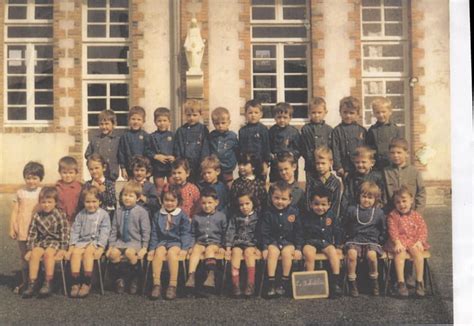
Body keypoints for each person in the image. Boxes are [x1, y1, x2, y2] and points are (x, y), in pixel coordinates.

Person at [22, 187, 70, 298]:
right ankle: (32, 282)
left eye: (49, 202)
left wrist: (63, 249)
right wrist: (30, 249)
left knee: (49, 254)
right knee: (35, 253)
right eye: (43, 202)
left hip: (55, 242)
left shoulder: (59, 214)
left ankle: (48, 281)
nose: (46, 205)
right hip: (42, 242)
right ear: (39, 203)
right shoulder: (37, 216)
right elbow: (32, 233)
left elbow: (64, 232)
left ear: (55, 203)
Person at [107, 182, 151, 294]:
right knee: (113, 254)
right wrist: (111, 246)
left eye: (131, 196)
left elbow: (146, 231)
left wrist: (144, 248)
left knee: (130, 254)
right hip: (121, 242)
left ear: (137, 198)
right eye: (125, 195)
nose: (127, 198)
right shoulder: (119, 211)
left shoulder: (142, 212)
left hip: (135, 242)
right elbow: (114, 230)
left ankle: (134, 279)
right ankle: (120, 279)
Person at [148, 188, 193, 300]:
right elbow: (154, 233)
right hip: (162, 241)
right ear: (162, 200)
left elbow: (185, 232)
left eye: (172, 200)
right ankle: (157, 284)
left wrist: (184, 248)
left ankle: (172, 285)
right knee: (158, 253)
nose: (169, 203)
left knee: (172, 254)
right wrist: (152, 248)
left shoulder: (182, 215)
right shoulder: (158, 214)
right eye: (166, 200)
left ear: (178, 201)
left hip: (176, 242)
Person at [67, 186, 111, 298]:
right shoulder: (81, 215)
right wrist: (72, 246)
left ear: (100, 201)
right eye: (88, 202)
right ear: (83, 202)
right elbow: (75, 231)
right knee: (75, 254)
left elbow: (105, 232)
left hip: (95, 242)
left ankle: (87, 282)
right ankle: (75, 282)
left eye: (94, 201)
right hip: (82, 242)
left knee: (88, 253)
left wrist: (101, 247)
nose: (91, 205)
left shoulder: (104, 215)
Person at [385, 186, 430, 297]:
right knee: (399, 254)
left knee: (418, 254)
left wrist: (420, 241)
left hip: (413, 241)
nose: (402, 205)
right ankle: (401, 282)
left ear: (411, 200)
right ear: (395, 204)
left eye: (404, 201)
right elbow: (392, 230)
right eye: (398, 202)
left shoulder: (416, 215)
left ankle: (419, 282)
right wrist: (397, 242)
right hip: (398, 241)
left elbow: (422, 229)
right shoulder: (392, 215)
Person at [344, 181, 386, 297]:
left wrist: (381, 240)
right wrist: (345, 238)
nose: (366, 200)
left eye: (370, 197)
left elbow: (383, 229)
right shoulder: (352, 210)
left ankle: (374, 282)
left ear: (376, 199)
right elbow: (345, 225)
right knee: (351, 254)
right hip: (355, 240)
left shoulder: (378, 212)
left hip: (371, 241)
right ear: (359, 196)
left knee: (372, 256)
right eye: (364, 196)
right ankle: (352, 282)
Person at [261, 181, 302, 298]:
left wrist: (298, 248)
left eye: (284, 199)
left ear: (290, 200)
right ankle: (271, 283)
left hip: (288, 242)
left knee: (286, 253)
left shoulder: (294, 212)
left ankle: (284, 282)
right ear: (271, 197)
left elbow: (299, 231)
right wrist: (264, 247)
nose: (280, 201)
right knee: (272, 252)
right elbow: (264, 232)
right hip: (273, 241)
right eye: (276, 198)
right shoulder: (268, 213)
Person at [9, 161, 44, 294]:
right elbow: (15, 211)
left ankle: (37, 281)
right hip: (23, 227)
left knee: (36, 254)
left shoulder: (42, 192)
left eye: (34, 178)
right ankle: (25, 282)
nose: (31, 181)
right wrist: (12, 227)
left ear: (40, 178)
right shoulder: (20, 192)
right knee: (24, 256)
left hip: (37, 229)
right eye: (28, 178)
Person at [185, 187, 230, 290]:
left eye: (210, 203)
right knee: (196, 250)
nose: (206, 206)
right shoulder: (197, 217)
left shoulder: (221, 216)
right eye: (204, 203)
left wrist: (223, 246)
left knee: (210, 249)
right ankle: (191, 275)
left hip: (215, 243)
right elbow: (192, 233)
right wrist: (191, 246)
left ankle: (211, 275)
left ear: (216, 202)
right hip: (200, 242)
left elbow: (225, 233)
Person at [302, 187, 343, 298]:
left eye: (323, 204)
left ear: (329, 205)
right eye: (316, 204)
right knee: (309, 254)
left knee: (333, 252)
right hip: (311, 242)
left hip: (325, 242)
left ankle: (335, 282)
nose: (320, 207)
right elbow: (301, 231)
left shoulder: (332, 216)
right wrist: (300, 246)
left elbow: (337, 231)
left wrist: (338, 246)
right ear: (311, 204)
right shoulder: (307, 216)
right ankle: (310, 283)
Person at [225, 190, 260, 297]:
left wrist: (259, 246)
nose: (244, 207)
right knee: (236, 252)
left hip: (251, 244)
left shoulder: (258, 217)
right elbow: (230, 231)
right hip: (238, 242)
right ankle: (236, 284)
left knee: (249, 253)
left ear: (253, 203)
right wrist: (228, 247)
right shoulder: (235, 217)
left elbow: (260, 232)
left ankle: (250, 284)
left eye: (247, 204)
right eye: (241, 205)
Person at [383, 138, 426, 214]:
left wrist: (418, 213)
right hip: (392, 214)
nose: (395, 155)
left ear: (407, 154)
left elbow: (421, 193)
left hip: (411, 214)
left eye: (399, 152)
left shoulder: (414, 172)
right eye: (392, 153)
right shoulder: (386, 172)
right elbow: (383, 196)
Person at [341, 146, 385, 215]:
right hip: (355, 210)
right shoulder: (351, 177)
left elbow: (381, 196)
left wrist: (378, 206)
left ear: (372, 163)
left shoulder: (377, 177)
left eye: (364, 162)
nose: (360, 165)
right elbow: (347, 196)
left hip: (373, 210)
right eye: (357, 162)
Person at [173, 99, 210, 182]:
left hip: (199, 164)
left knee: (200, 185)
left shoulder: (203, 129)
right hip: (185, 164)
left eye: (194, 115)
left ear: (200, 115)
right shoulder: (181, 130)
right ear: (185, 115)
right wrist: (180, 162)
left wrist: (203, 162)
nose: (191, 118)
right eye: (188, 115)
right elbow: (177, 147)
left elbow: (205, 147)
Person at [331, 96, 367, 177]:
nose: (348, 116)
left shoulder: (362, 130)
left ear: (357, 114)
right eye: (345, 112)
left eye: (351, 113)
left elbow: (367, 149)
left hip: (360, 166)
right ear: (340, 112)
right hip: (345, 168)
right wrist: (338, 166)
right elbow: (335, 149)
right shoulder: (337, 131)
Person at [305, 146, 343, 219]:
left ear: (330, 162)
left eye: (323, 163)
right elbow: (308, 201)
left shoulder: (336, 182)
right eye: (317, 163)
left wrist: (330, 219)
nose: (320, 166)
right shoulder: (311, 180)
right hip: (313, 218)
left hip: (329, 219)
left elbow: (335, 204)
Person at [238, 99, 271, 181]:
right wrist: (241, 164)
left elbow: (266, 147)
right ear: (245, 114)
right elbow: (240, 149)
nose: (253, 115)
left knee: (260, 185)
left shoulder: (263, 130)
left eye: (256, 113)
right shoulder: (242, 131)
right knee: (246, 184)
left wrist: (265, 163)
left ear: (261, 114)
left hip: (259, 163)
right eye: (250, 113)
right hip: (246, 164)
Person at [145, 107, 175, 196]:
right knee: (159, 188)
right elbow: (147, 150)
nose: (162, 123)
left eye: (165, 120)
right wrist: (156, 156)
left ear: (169, 122)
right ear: (155, 122)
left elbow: (177, 149)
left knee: (172, 187)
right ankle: (158, 205)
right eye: (159, 121)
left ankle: (172, 204)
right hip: (158, 167)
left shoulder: (173, 135)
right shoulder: (152, 136)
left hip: (171, 166)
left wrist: (174, 157)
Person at [268, 102, 301, 182]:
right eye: (279, 117)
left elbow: (299, 149)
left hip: (289, 165)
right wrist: (271, 156)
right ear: (274, 117)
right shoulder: (272, 131)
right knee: (275, 185)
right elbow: (268, 147)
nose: (282, 120)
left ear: (290, 118)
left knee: (290, 185)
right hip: (276, 165)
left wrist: (292, 154)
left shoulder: (294, 132)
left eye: (285, 117)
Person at [301, 97, 333, 179]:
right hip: (310, 165)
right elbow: (305, 148)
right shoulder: (306, 129)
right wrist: (312, 161)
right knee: (311, 187)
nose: (316, 115)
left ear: (325, 112)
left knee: (326, 185)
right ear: (309, 113)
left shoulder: (329, 129)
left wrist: (328, 161)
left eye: (319, 112)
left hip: (325, 165)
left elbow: (331, 147)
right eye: (313, 112)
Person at [366, 97, 402, 170]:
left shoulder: (395, 129)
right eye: (378, 112)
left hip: (392, 164)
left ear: (390, 112)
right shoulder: (372, 130)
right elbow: (368, 148)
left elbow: (400, 147)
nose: (381, 115)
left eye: (383, 112)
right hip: (377, 165)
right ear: (374, 113)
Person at [85, 109, 120, 181]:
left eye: (107, 124)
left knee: (109, 191)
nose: (104, 127)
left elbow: (121, 156)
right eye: (101, 124)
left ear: (113, 124)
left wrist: (123, 168)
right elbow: (87, 154)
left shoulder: (117, 140)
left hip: (112, 174)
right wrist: (93, 164)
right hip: (97, 175)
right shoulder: (95, 139)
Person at [209, 107, 238, 188]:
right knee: (215, 186)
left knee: (228, 186)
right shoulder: (212, 136)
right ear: (213, 123)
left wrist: (233, 163)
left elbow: (237, 151)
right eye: (217, 123)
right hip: (215, 167)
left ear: (229, 122)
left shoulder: (232, 136)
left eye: (223, 123)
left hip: (227, 168)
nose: (220, 126)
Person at [118, 106, 150, 180]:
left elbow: (149, 153)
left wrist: (147, 169)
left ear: (143, 121)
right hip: (130, 170)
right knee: (132, 189)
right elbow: (121, 153)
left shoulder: (146, 136)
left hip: (143, 170)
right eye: (133, 119)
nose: (136, 122)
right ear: (129, 120)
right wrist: (123, 169)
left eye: (139, 119)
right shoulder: (125, 136)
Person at [83, 154, 116, 218]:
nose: (94, 171)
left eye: (97, 168)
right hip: (90, 217)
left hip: (106, 218)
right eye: (91, 169)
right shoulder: (87, 185)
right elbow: (83, 202)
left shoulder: (109, 184)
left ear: (104, 168)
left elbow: (112, 201)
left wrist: (101, 191)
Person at [55, 156, 82, 223]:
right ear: (59, 172)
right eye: (64, 173)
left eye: (71, 173)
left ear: (76, 173)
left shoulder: (80, 187)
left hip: (77, 220)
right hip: (60, 220)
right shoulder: (56, 188)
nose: (68, 175)